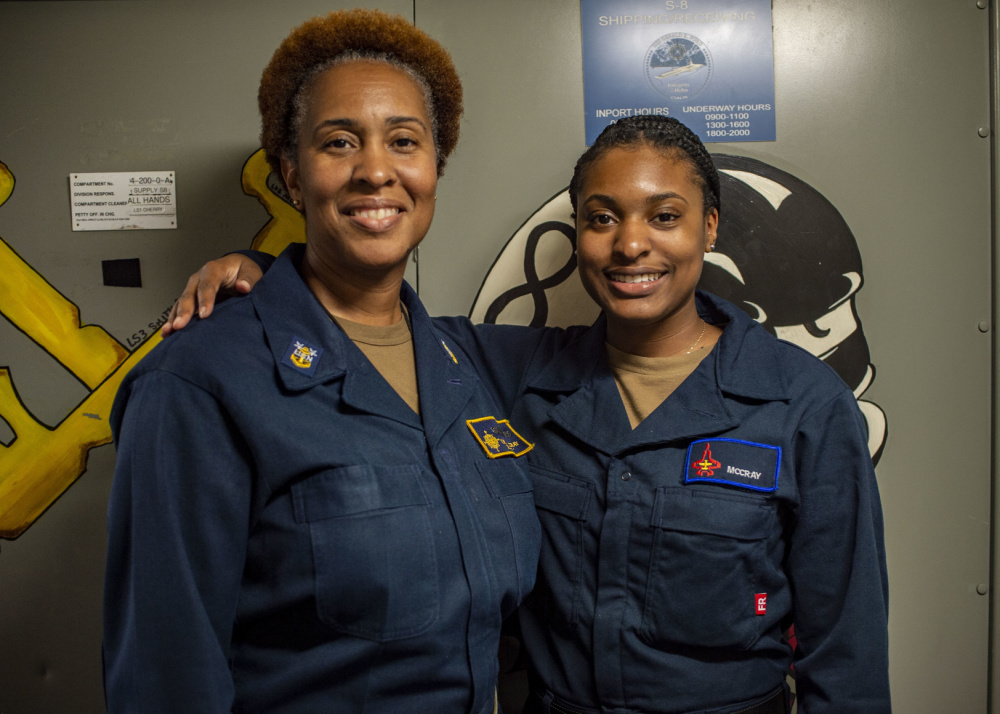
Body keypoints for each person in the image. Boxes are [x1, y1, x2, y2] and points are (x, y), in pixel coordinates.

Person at [169, 116, 891, 713]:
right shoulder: (504, 371)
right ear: (577, 234)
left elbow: (846, 652)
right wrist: (260, 272)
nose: (630, 244)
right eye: (601, 218)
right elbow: (365, 321)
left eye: (664, 217)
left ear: (709, 227)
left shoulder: (802, 404)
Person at [103, 10, 540, 713]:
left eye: (404, 141)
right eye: (339, 142)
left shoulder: (472, 363)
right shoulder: (198, 382)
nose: (376, 171)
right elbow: (165, 676)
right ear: (292, 176)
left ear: (435, 168)